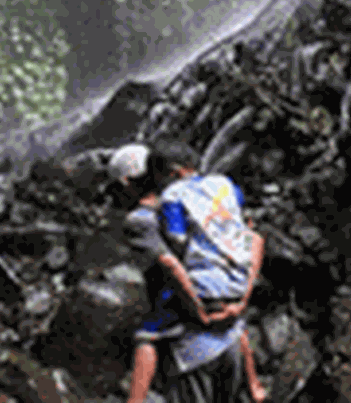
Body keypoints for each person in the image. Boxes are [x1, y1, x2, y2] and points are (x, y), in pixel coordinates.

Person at [112, 142, 266, 403]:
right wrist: (242, 301)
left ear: (127, 182)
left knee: (146, 336)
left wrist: (199, 311)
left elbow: (172, 265)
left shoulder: (146, 218)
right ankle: (254, 386)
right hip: (232, 321)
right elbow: (254, 240)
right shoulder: (212, 196)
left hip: (192, 332)